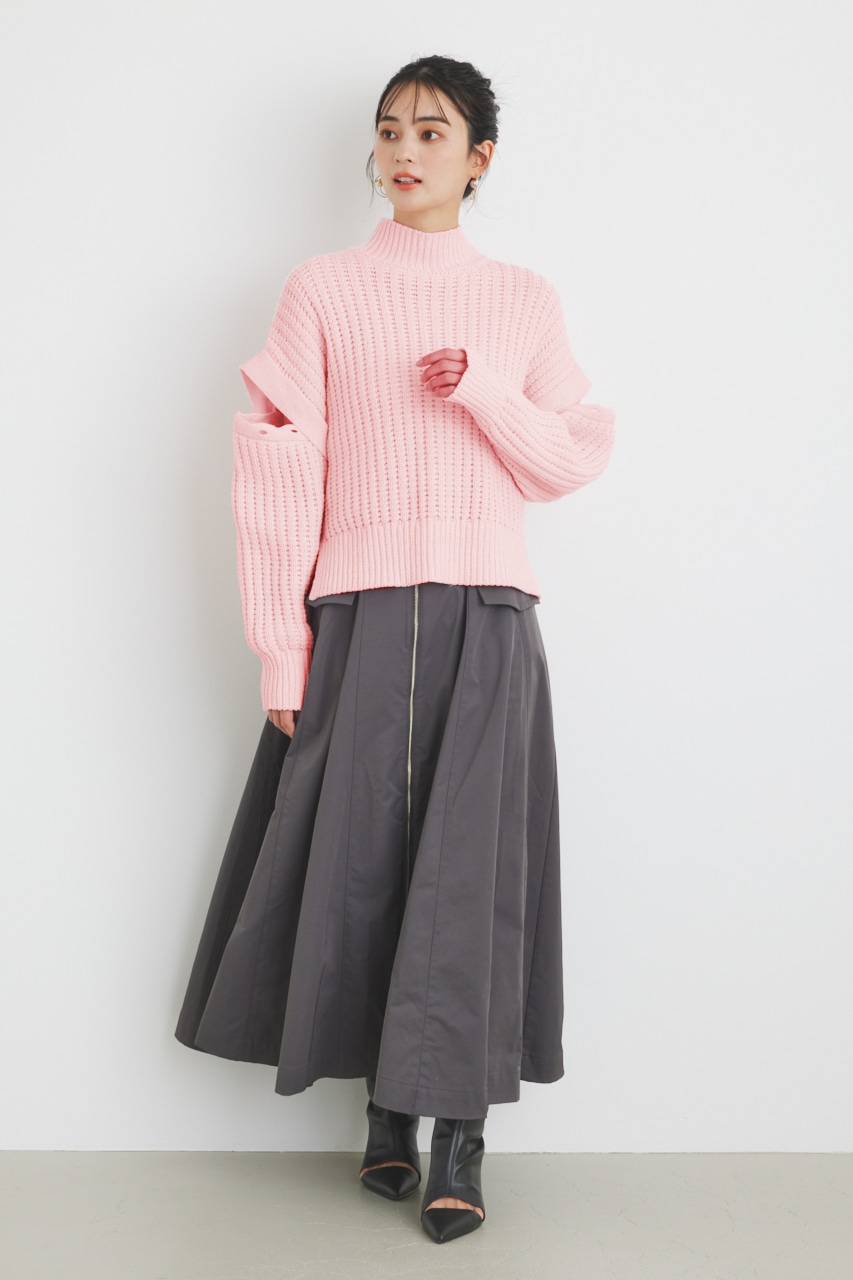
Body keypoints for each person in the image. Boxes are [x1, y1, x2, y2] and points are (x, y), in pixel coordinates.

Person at [175, 53, 616, 1245]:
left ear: (479, 158)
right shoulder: (322, 290)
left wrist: (483, 393)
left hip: (488, 615)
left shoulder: (521, 299)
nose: (404, 150)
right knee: (358, 862)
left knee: (471, 874)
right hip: (358, 614)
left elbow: (571, 456)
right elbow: (278, 474)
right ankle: (386, 1110)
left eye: (432, 130)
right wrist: (282, 649)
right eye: (389, 129)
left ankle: (457, 1137)